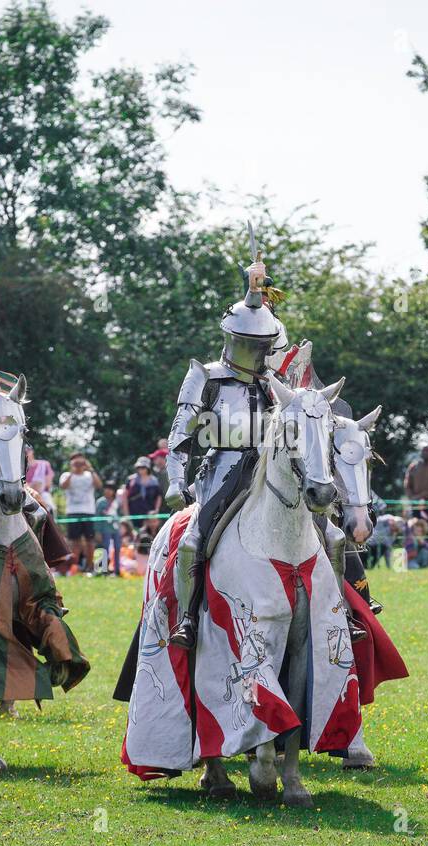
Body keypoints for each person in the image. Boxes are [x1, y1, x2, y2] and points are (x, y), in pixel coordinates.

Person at [164, 253, 281, 648]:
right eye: (253, 345)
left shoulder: (276, 381)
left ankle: (350, 608)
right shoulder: (206, 376)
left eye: (264, 345)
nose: (260, 353)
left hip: (272, 467)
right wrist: (175, 481)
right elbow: (181, 434)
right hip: (224, 468)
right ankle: (187, 618)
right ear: (233, 339)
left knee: (331, 532)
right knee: (195, 541)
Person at [59, 452, 102, 574]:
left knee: (90, 541)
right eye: (76, 462)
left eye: (81, 462)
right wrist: (73, 471)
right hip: (73, 512)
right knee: (74, 541)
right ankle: (74, 567)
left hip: (88, 511)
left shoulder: (90, 475)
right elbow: (63, 486)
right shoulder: (66, 475)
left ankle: (89, 567)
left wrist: (91, 469)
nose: (79, 465)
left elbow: (99, 485)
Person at [122, 456, 162, 528]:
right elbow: (124, 498)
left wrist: (156, 510)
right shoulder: (131, 480)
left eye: (143, 467)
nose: (141, 469)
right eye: (139, 467)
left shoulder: (154, 481)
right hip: (133, 513)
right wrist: (126, 514)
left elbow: (158, 496)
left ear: (148, 468)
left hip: (149, 515)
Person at [96, 482, 123, 575]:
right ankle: (104, 570)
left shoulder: (117, 502)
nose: (107, 491)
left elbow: (121, 515)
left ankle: (117, 570)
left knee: (117, 548)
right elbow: (97, 518)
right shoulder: (100, 502)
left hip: (116, 529)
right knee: (105, 549)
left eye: (110, 489)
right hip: (104, 529)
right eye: (106, 488)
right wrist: (97, 532)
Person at [25, 448, 56, 517]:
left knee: (48, 508)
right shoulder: (20, 468)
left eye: (27, 451)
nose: (25, 453)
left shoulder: (44, 464)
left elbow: (48, 484)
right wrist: (34, 486)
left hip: (43, 497)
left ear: (32, 451)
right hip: (27, 497)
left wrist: (30, 486)